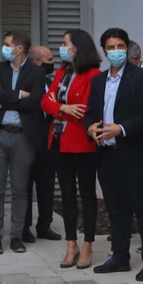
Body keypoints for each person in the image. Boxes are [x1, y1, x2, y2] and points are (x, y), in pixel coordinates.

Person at [87, 28, 143, 277]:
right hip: (107, 155)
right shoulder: (98, 80)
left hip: (135, 153)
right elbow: (91, 112)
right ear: (104, 50)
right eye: (111, 47)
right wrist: (90, 127)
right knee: (116, 209)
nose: (116, 51)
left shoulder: (141, 77)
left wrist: (122, 128)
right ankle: (119, 256)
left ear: (127, 48)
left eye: (120, 46)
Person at [41, 30, 101, 268]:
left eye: (65, 43)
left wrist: (59, 105)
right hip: (58, 141)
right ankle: (71, 244)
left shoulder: (93, 75)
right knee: (66, 196)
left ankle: (87, 244)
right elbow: (45, 101)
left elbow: (86, 109)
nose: (61, 47)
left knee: (86, 195)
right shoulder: (61, 72)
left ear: (77, 47)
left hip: (82, 143)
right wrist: (64, 108)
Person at [0, 30, 47, 254]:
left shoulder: (36, 73)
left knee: (20, 189)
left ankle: (17, 236)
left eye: (8, 44)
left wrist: (5, 97)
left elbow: (36, 102)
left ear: (19, 48)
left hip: (23, 136)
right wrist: (20, 95)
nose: (5, 47)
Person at [22, 44, 60, 242]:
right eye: (49, 60)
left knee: (46, 186)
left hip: (48, 141)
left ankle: (44, 225)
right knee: (25, 186)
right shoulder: (25, 81)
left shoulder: (48, 81)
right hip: (28, 140)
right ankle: (24, 227)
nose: (53, 64)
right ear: (37, 62)